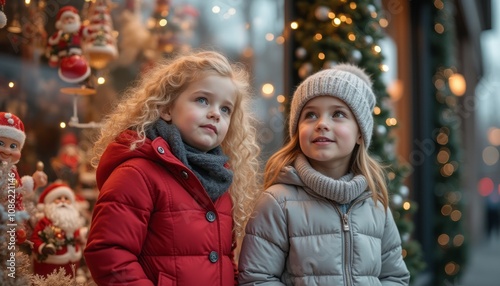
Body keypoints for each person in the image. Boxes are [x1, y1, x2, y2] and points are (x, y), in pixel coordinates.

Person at [84, 50, 261, 285]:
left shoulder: (220, 181)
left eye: (225, 109)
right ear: (166, 108)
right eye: (202, 100)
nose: (215, 114)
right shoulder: (138, 174)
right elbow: (108, 253)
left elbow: (223, 260)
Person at [238, 64, 410, 285]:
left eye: (338, 114)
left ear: (360, 134)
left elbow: (394, 277)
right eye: (310, 115)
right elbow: (257, 279)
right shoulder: (277, 203)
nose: (322, 124)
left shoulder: (376, 205)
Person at [0, 112, 48, 244]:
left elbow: (18, 189)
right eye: (1, 143)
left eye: (13, 146)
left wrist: (34, 181)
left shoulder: (12, 170)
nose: (7, 150)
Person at [31, 182, 87, 278]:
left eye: (66, 198)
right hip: (51, 264)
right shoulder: (45, 221)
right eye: (59, 198)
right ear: (50, 202)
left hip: (72, 263)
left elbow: (76, 234)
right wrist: (43, 247)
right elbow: (35, 238)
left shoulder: (73, 220)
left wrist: (82, 234)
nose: (63, 201)